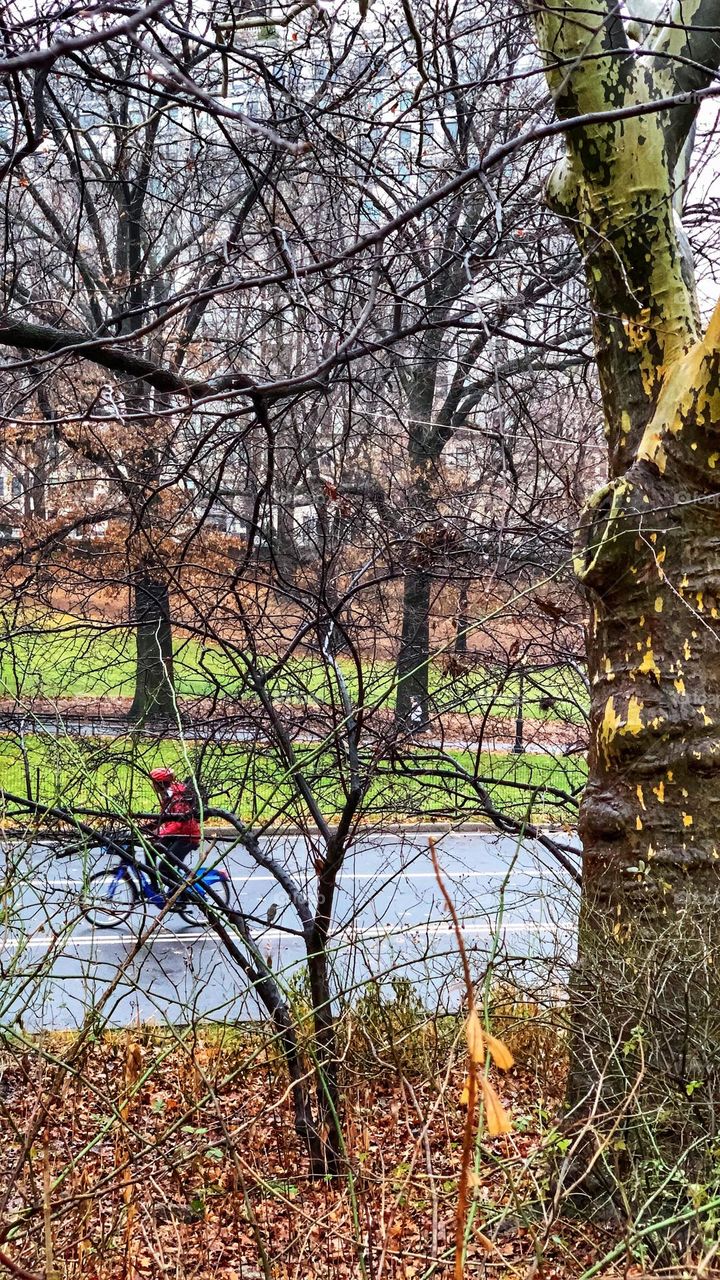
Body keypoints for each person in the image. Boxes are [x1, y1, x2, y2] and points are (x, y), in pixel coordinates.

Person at [147, 767, 201, 891]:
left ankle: (181, 896)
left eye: (154, 782)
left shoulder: (177, 797)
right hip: (177, 834)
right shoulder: (167, 794)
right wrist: (145, 828)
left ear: (160, 783)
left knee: (164, 868)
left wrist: (159, 833)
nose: (152, 785)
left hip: (187, 837)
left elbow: (178, 823)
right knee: (149, 850)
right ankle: (155, 888)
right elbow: (164, 818)